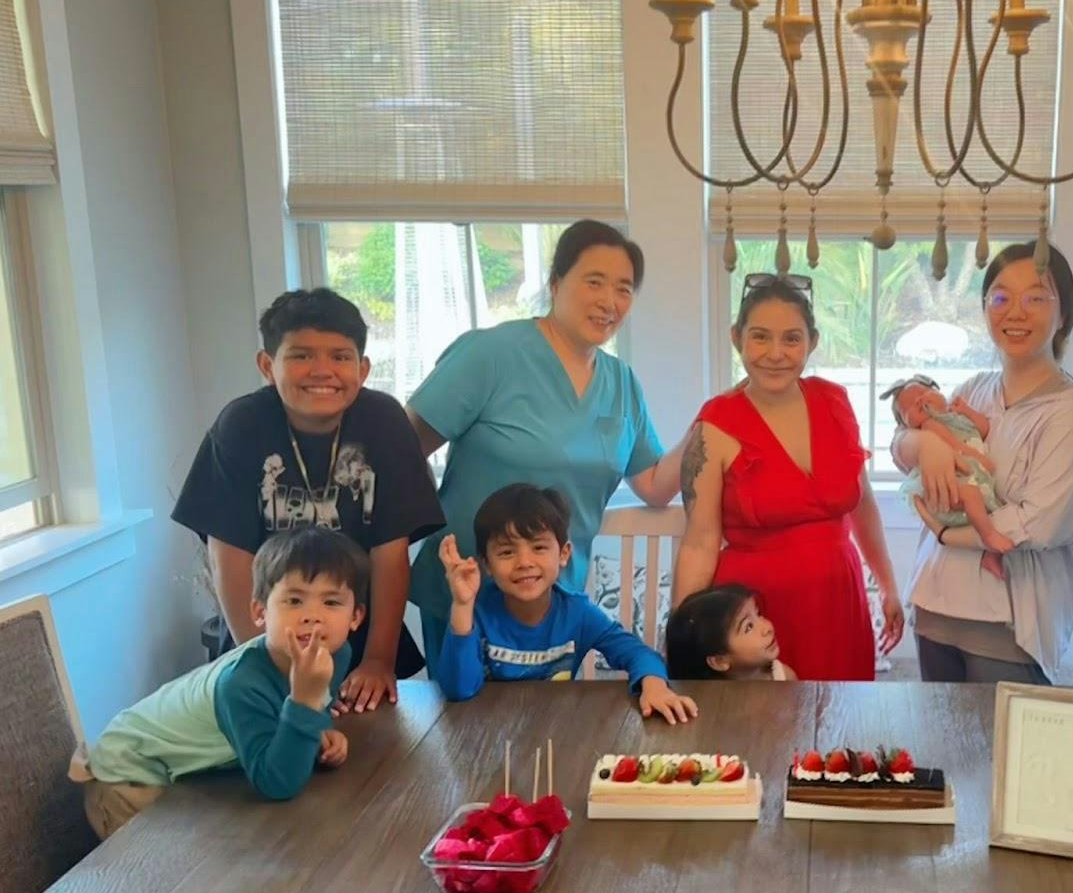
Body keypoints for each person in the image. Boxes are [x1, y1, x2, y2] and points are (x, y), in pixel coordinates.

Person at [406, 220, 685, 679]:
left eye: (624, 289)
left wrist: (709, 421)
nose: (609, 301)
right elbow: (402, 450)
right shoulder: (489, 354)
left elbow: (654, 484)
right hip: (468, 591)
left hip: (551, 601)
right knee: (461, 716)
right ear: (556, 283)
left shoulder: (622, 384)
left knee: (548, 718)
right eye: (594, 281)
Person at [173, 289, 443, 714]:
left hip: (355, 648)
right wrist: (266, 668)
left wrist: (378, 660)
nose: (322, 370)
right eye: (301, 355)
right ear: (267, 366)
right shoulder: (240, 426)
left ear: (363, 369)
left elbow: (390, 554)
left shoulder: (385, 422)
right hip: (262, 638)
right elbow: (229, 560)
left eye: (340, 356)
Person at [893, 242, 1073, 685]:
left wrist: (946, 534)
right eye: (1000, 297)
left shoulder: (1070, 413)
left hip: (1007, 629)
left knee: (1002, 732)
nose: (1015, 311)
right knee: (941, 730)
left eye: (1036, 298)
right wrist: (920, 444)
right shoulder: (974, 389)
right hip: (936, 608)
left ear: (1064, 315)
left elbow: (1038, 524)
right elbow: (903, 448)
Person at [673, 275, 904, 680]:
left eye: (792, 339)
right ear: (737, 338)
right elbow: (699, 542)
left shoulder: (835, 401)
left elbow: (862, 504)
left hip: (839, 600)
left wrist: (888, 585)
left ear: (812, 342)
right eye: (760, 337)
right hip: (758, 613)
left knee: (842, 713)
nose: (775, 353)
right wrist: (684, 642)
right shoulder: (714, 425)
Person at [70, 528, 366, 838]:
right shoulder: (241, 684)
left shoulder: (336, 655)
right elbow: (278, 783)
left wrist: (318, 732)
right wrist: (305, 702)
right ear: (260, 612)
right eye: (294, 600)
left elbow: (301, 717)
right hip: (127, 775)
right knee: (182, 864)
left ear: (356, 617)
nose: (313, 616)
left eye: (331, 602)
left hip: (188, 774)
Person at [435, 483, 697, 723]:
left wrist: (655, 686)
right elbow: (459, 689)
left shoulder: (578, 613)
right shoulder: (477, 613)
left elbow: (638, 653)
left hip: (558, 728)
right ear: (487, 564)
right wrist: (462, 605)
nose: (524, 562)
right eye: (506, 552)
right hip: (489, 732)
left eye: (539, 548)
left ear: (563, 554)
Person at [881, 374, 1010, 579]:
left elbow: (983, 429)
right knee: (972, 497)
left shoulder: (957, 416)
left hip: (973, 478)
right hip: (950, 484)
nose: (919, 400)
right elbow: (954, 446)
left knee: (994, 510)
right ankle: (988, 536)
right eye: (910, 406)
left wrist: (967, 411)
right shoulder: (930, 427)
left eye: (924, 393)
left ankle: (991, 555)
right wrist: (978, 458)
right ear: (905, 424)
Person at [664, 584, 794, 681]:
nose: (767, 628)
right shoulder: (707, 699)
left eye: (758, 614)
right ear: (719, 661)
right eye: (749, 627)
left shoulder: (783, 676)